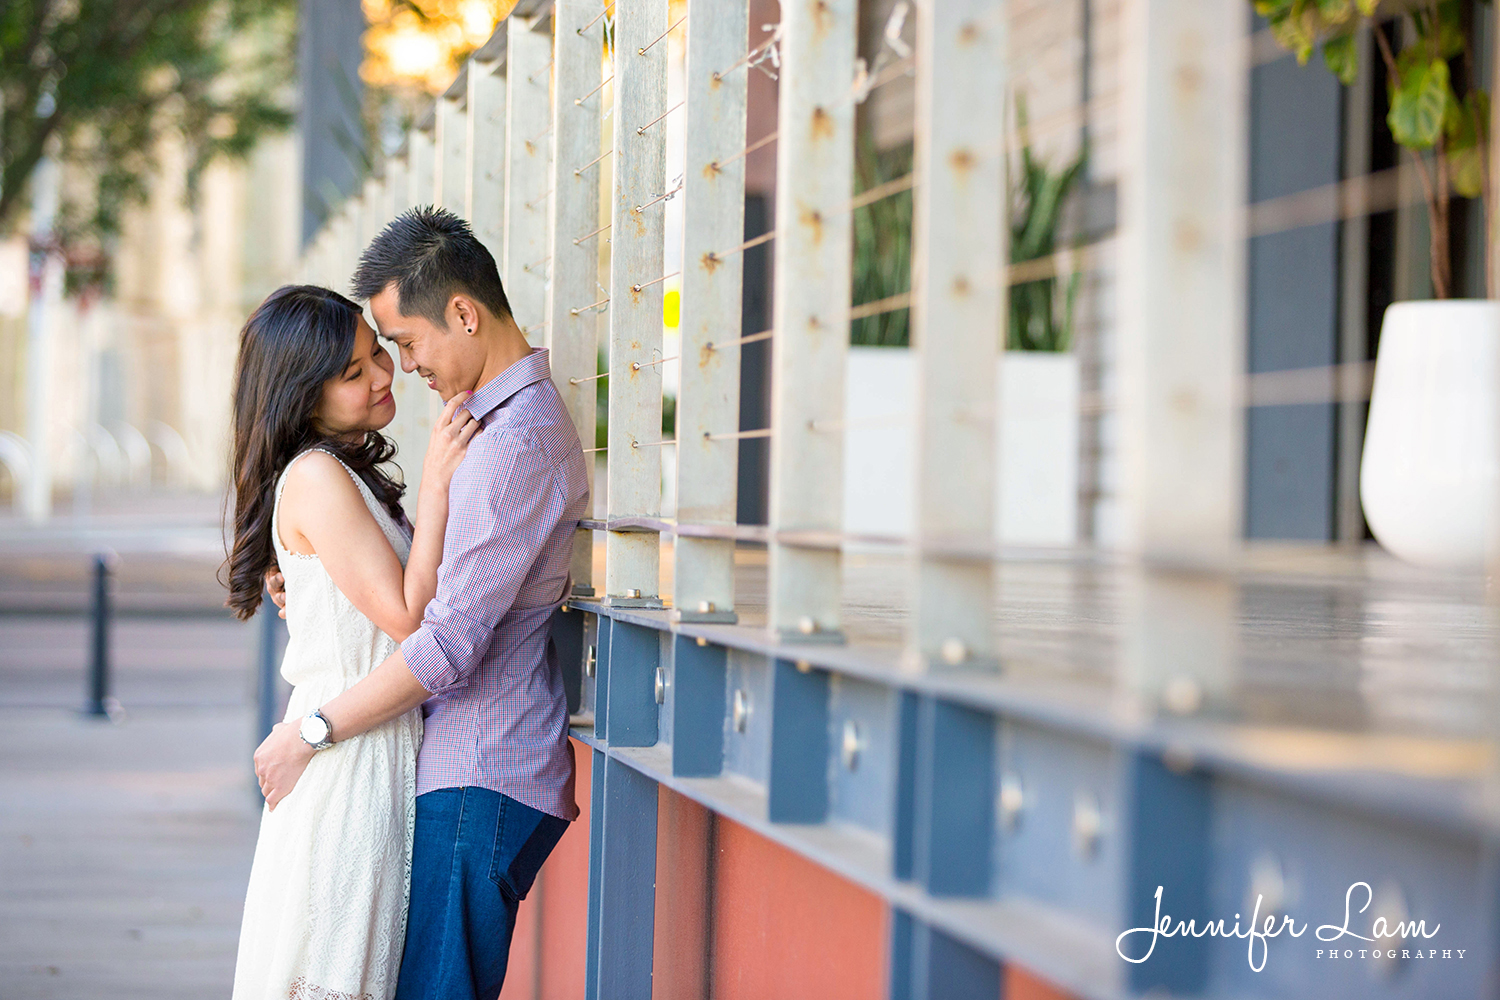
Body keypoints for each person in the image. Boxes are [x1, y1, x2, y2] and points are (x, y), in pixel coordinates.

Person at [254, 206, 591, 1000]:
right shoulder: (485, 424)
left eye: (403, 344)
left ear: (464, 314)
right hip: (461, 769)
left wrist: (310, 731)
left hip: (483, 771)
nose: (401, 370)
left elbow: (443, 643)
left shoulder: (512, 446)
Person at [225, 284, 479, 999]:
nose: (380, 376)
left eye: (378, 354)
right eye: (352, 373)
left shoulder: (341, 473)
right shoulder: (316, 476)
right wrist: (435, 488)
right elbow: (409, 618)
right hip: (347, 760)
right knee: (336, 971)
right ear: (304, 397)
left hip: (369, 744)